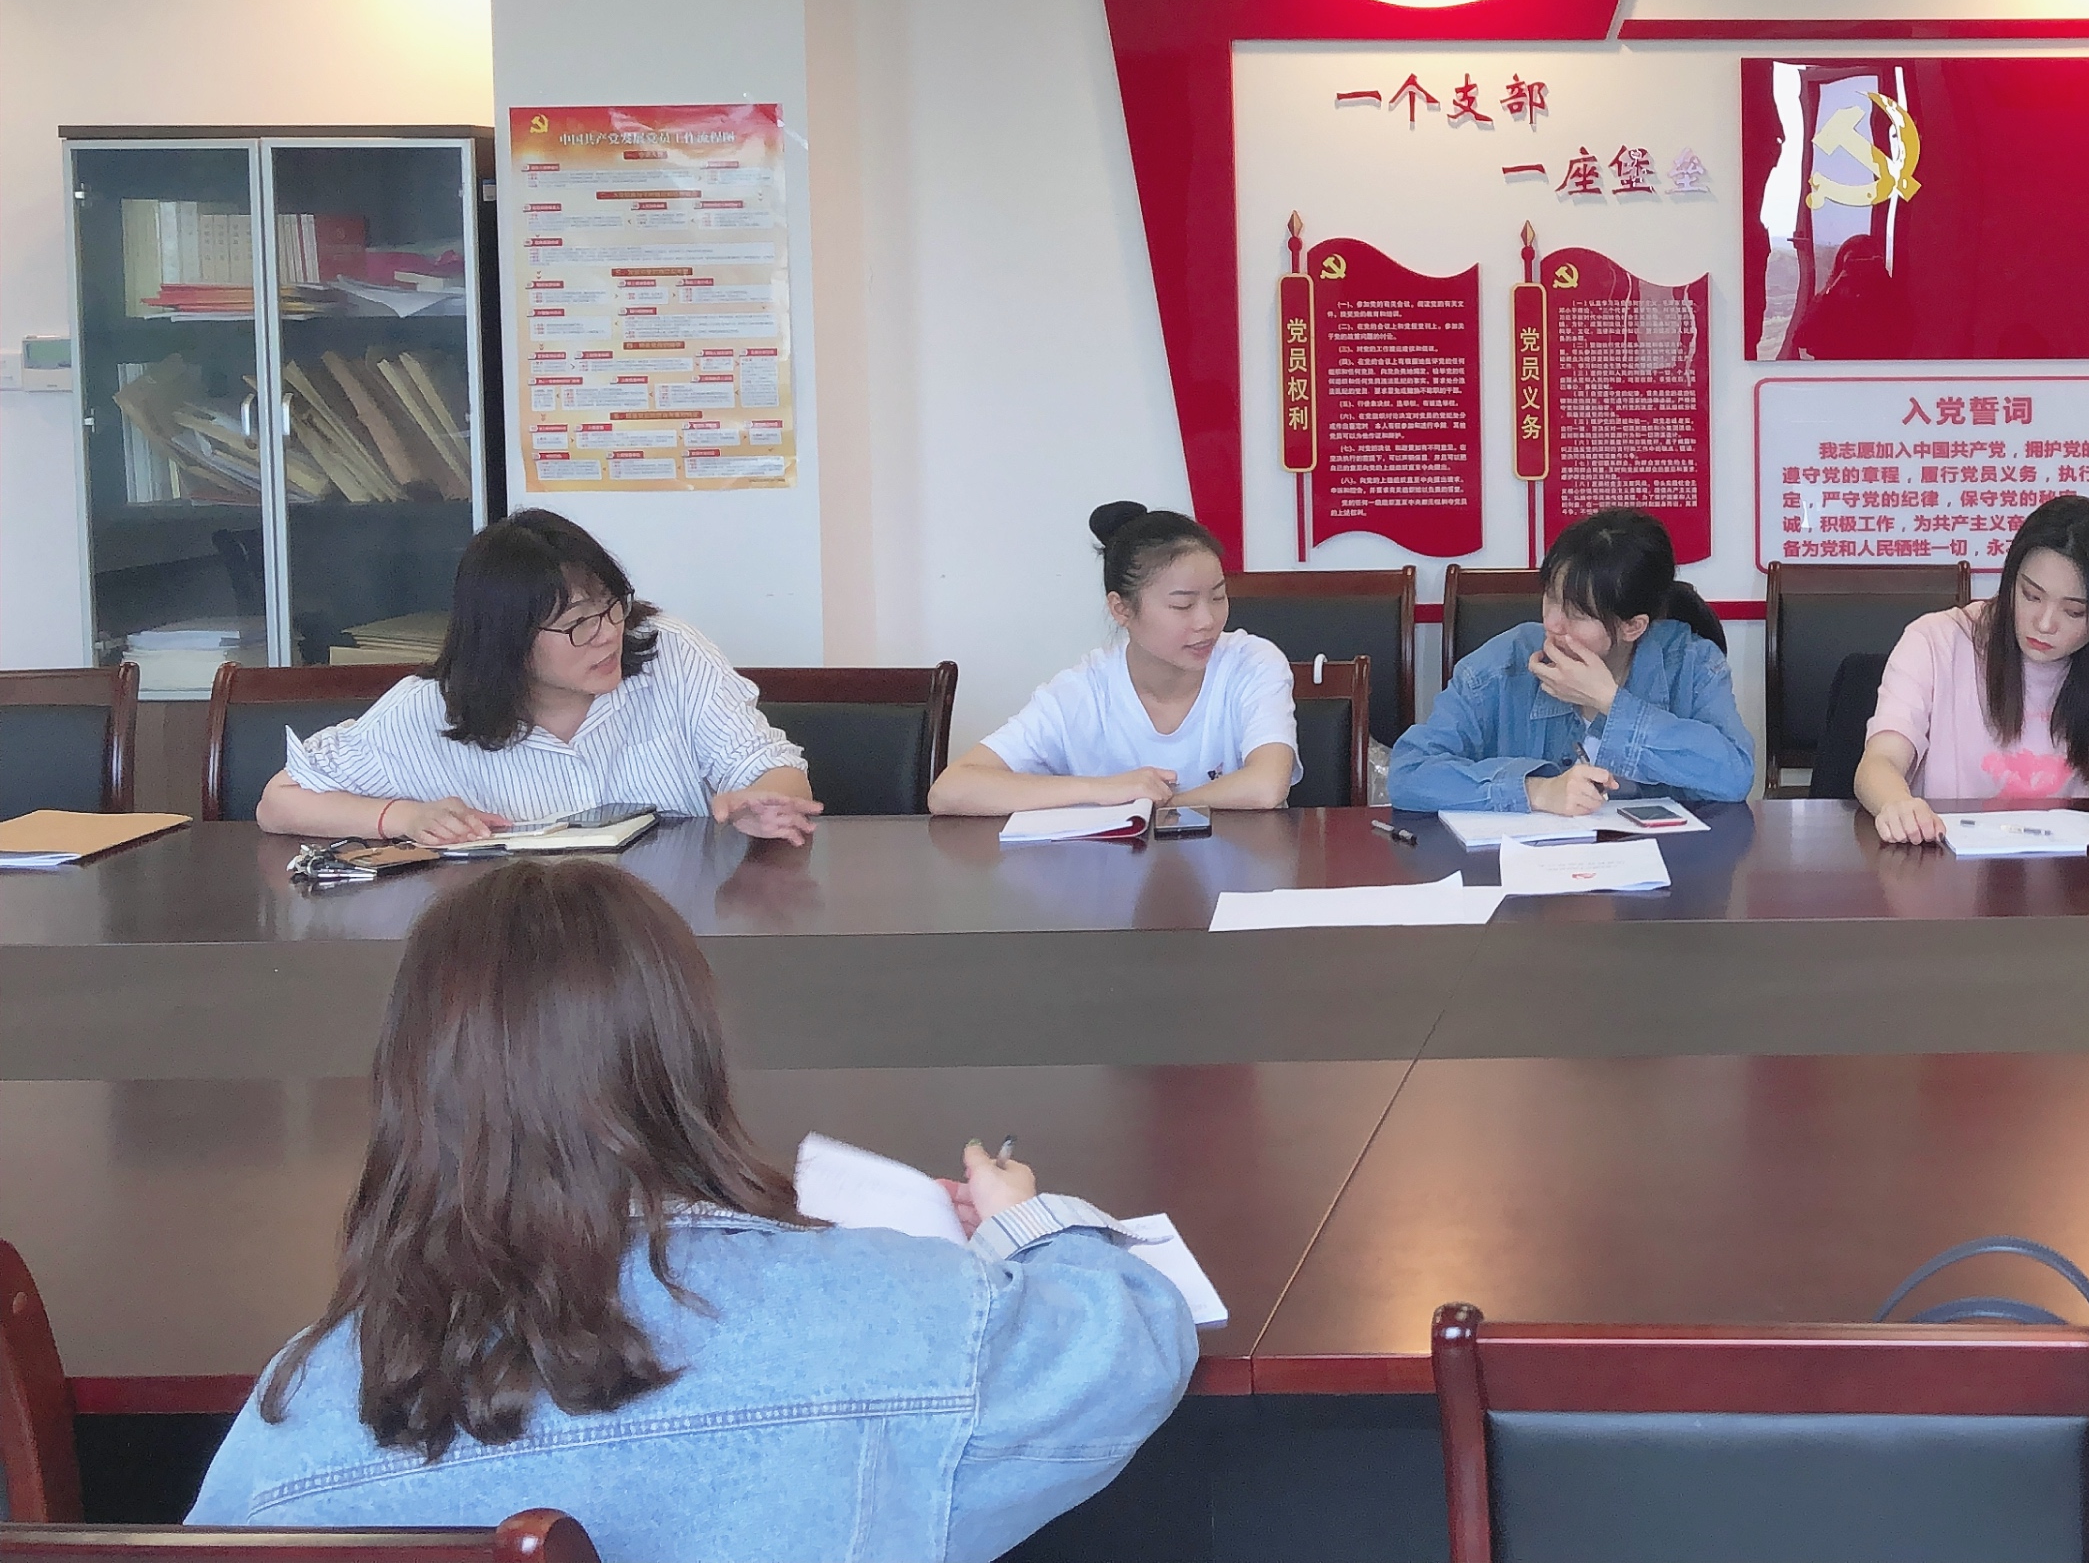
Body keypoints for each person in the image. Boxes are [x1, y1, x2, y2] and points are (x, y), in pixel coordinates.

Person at [186, 858, 1196, 1557]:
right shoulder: (889, 1312)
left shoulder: (309, 1405)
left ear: (415, 1087)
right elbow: (1133, 1345)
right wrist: (1026, 1222)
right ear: (683, 1059)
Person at [257, 510, 820, 846]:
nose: (607, 634)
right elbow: (280, 802)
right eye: (577, 623)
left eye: (611, 606)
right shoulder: (430, 710)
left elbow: (771, 768)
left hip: (669, 939)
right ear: (508, 639)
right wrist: (406, 817)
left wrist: (766, 803)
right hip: (513, 959)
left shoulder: (670, 655)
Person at [931, 501, 1301, 814]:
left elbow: (1266, 786)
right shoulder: (1083, 692)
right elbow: (950, 791)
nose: (1207, 620)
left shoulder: (1251, 663)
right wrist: (1103, 790)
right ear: (1121, 609)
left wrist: (1155, 807)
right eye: (1183, 605)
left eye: (1218, 597)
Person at [1386, 507, 1756, 812]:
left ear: (1633, 626)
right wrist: (1536, 791)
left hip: (1660, 870)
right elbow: (1409, 774)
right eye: (1551, 598)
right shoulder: (1502, 666)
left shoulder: (1691, 664)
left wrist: (1610, 702)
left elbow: (1734, 777)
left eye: (1577, 614)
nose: (1551, 623)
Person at [1856, 494, 2089, 843]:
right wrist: (1898, 805)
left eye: (2074, 611)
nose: (2045, 623)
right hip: (1947, 860)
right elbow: (1880, 761)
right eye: (2031, 595)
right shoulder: (1936, 642)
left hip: (2076, 870)